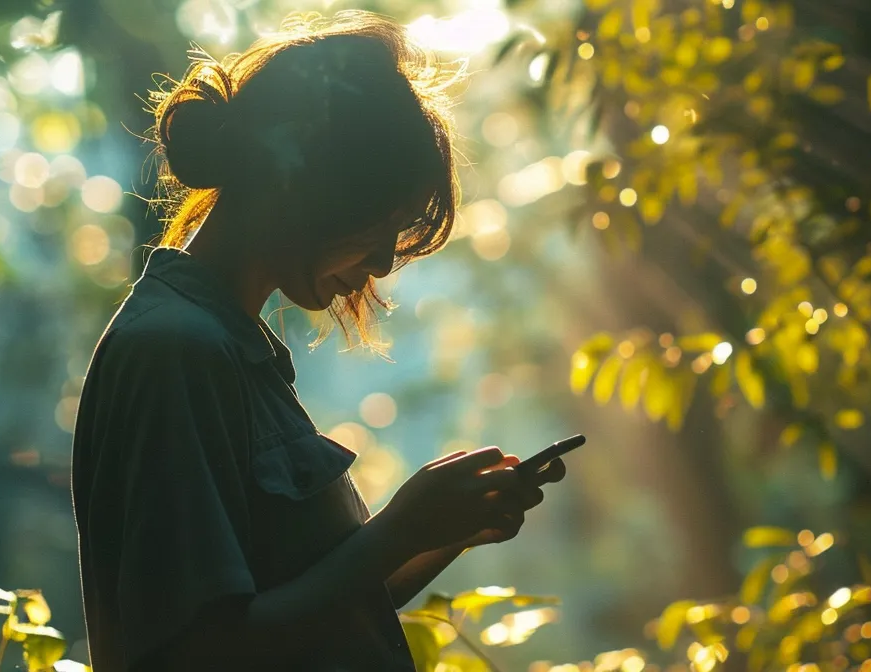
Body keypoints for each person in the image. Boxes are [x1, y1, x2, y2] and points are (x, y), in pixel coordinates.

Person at [69, 11, 565, 671]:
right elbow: (199, 652)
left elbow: (316, 612)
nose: (386, 262)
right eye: (376, 222)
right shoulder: (176, 351)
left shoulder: (226, 345)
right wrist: (402, 527)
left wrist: (445, 530)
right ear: (303, 189)